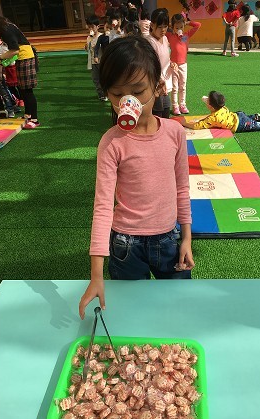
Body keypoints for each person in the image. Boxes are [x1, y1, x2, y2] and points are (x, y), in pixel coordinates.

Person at [78, 36, 194, 320]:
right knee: (133, 315)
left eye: (138, 91)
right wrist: (96, 275)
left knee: (180, 309)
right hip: (126, 245)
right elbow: (103, 206)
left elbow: (182, 187)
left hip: (170, 240)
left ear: (158, 86)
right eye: (117, 94)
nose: (127, 103)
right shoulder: (111, 142)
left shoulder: (174, 133)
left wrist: (186, 238)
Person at [0, 13, 40, 129]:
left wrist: (0, 58)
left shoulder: (6, 29)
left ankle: (34, 119)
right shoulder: (5, 27)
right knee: (23, 89)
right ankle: (28, 115)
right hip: (21, 58)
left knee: (27, 91)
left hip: (26, 57)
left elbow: (14, 50)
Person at [179, 90, 260, 133]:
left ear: (211, 106)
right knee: (245, 117)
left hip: (241, 124)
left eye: (208, 102)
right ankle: (254, 117)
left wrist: (184, 123)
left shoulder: (213, 118)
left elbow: (197, 126)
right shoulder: (221, 107)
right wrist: (207, 100)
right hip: (238, 115)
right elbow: (209, 101)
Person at [165, 12, 201, 115]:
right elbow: (163, 31)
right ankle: (175, 106)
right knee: (174, 87)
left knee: (183, 86)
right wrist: (170, 26)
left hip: (183, 64)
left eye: (181, 27)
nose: (179, 29)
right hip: (173, 65)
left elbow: (198, 25)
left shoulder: (186, 35)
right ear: (172, 27)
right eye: (176, 27)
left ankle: (182, 105)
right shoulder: (170, 36)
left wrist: (187, 22)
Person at [146, 8, 173, 118]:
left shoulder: (165, 38)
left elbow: (165, 57)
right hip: (155, 83)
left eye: (165, 26)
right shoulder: (149, 42)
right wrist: (159, 80)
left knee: (166, 110)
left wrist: (172, 63)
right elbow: (149, 65)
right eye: (160, 27)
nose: (163, 30)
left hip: (165, 82)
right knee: (157, 114)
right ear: (152, 25)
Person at [85, 16, 106, 101]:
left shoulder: (102, 36)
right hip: (93, 62)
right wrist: (87, 47)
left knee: (104, 77)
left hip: (101, 61)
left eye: (92, 27)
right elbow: (88, 49)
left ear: (98, 26)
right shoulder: (89, 38)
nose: (91, 29)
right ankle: (101, 94)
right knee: (95, 79)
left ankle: (106, 93)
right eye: (89, 27)